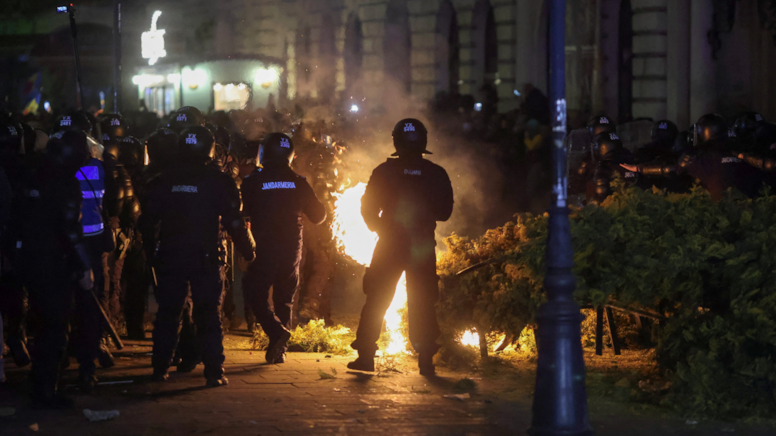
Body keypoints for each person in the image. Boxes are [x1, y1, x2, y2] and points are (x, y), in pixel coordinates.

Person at [140, 125, 255, 386]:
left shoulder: (163, 178)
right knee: (208, 314)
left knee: (168, 313)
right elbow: (234, 220)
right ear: (209, 149)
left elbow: (148, 220)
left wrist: (151, 254)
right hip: (205, 256)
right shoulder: (218, 180)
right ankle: (214, 372)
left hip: (171, 254)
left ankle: (160, 369)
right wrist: (249, 250)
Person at [348, 119, 454, 375]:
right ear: (423, 142)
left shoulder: (385, 172)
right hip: (421, 247)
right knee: (423, 299)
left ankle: (365, 357)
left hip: (390, 245)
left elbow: (368, 208)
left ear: (395, 141)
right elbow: (445, 212)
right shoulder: (436, 173)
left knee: (377, 297)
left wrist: (382, 229)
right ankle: (426, 358)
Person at [16, 130, 94, 408]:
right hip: (54, 265)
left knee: (41, 326)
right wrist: (84, 267)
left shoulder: (32, 173)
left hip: (28, 261)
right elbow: (70, 229)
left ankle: (41, 383)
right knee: (54, 328)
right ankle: (46, 390)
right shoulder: (64, 182)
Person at [241, 133, 326, 364]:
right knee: (285, 299)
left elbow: (240, 212)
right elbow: (319, 216)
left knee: (252, 290)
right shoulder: (299, 182)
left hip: (264, 248)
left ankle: (276, 332)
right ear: (290, 155)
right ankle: (280, 350)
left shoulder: (252, 182)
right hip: (291, 248)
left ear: (263, 153)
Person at [622, 114, 762, 200]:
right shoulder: (741, 152)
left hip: (715, 211)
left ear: (703, 133)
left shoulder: (700, 157)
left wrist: (639, 168)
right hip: (747, 208)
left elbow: (671, 168)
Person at [590, 132, 638, 204]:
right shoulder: (631, 161)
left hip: (617, 208)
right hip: (636, 201)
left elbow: (601, 192)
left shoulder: (604, 167)